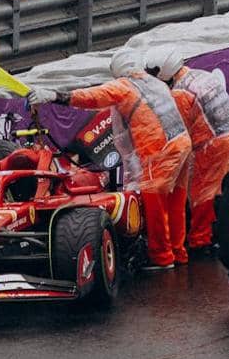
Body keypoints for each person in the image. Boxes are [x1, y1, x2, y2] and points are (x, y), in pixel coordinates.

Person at [26, 48, 192, 269]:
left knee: (155, 205)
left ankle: (162, 257)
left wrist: (54, 96)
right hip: (182, 143)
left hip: (159, 150)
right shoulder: (156, 83)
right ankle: (179, 253)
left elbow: (91, 97)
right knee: (176, 202)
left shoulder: (123, 86)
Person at [144, 45, 229, 252]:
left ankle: (201, 242)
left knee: (203, 195)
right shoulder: (201, 75)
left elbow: (176, 131)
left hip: (213, 146)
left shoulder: (181, 93)